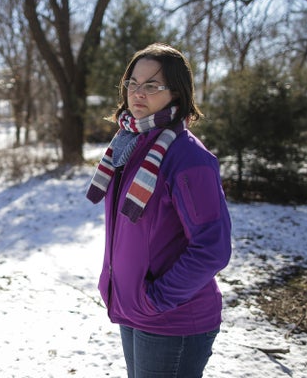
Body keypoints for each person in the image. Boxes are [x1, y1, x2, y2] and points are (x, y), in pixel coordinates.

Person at [86, 43, 232, 377]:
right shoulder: (130, 145)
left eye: (152, 85)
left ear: (177, 92)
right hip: (135, 309)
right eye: (133, 83)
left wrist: (156, 299)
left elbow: (212, 249)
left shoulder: (188, 158)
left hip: (173, 318)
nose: (138, 93)